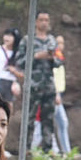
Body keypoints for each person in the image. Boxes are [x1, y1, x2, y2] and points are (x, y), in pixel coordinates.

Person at [20, 13, 59, 151]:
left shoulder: (52, 40)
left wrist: (51, 58)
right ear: (36, 22)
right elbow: (19, 62)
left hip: (48, 85)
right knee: (29, 118)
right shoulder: (27, 40)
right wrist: (36, 56)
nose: (44, 23)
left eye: (46, 20)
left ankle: (47, 149)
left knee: (48, 118)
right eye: (41, 20)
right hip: (33, 84)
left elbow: (59, 61)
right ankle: (25, 149)